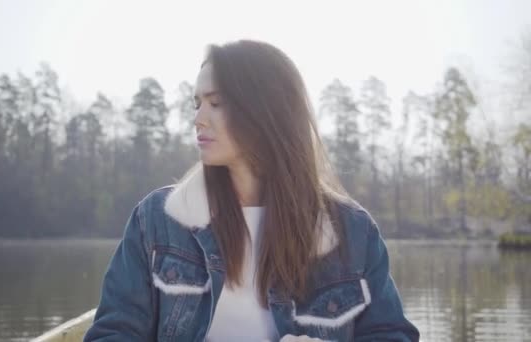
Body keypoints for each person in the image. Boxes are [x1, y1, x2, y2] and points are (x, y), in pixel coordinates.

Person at [84, 39, 420, 342]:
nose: (198, 119)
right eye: (196, 103)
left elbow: (391, 335)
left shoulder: (353, 232)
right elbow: (112, 334)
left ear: (265, 111)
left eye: (215, 103)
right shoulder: (156, 220)